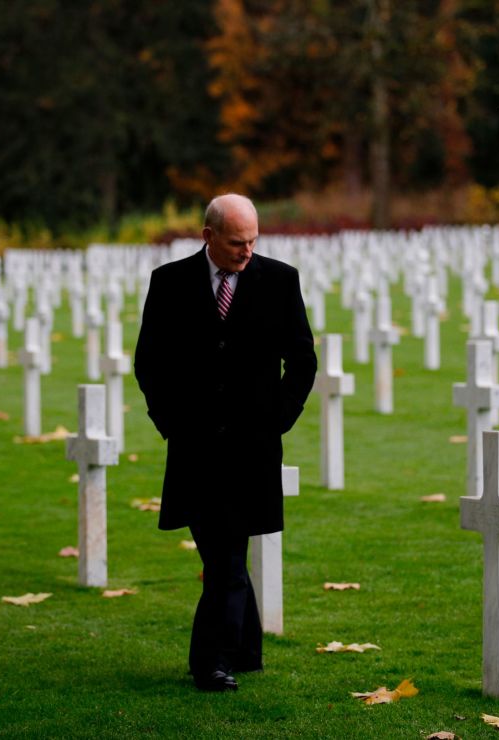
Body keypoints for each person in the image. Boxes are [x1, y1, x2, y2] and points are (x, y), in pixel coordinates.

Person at [134, 193, 317, 692]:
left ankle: (210, 661)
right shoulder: (169, 283)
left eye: (254, 240)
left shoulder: (280, 281)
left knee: (226, 555)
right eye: (237, 242)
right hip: (194, 447)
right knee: (222, 555)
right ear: (208, 236)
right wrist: (170, 421)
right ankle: (245, 648)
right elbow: (149, 361)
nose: (247, 251)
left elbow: (302, 361)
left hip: (251, 448)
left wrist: (277, 419)